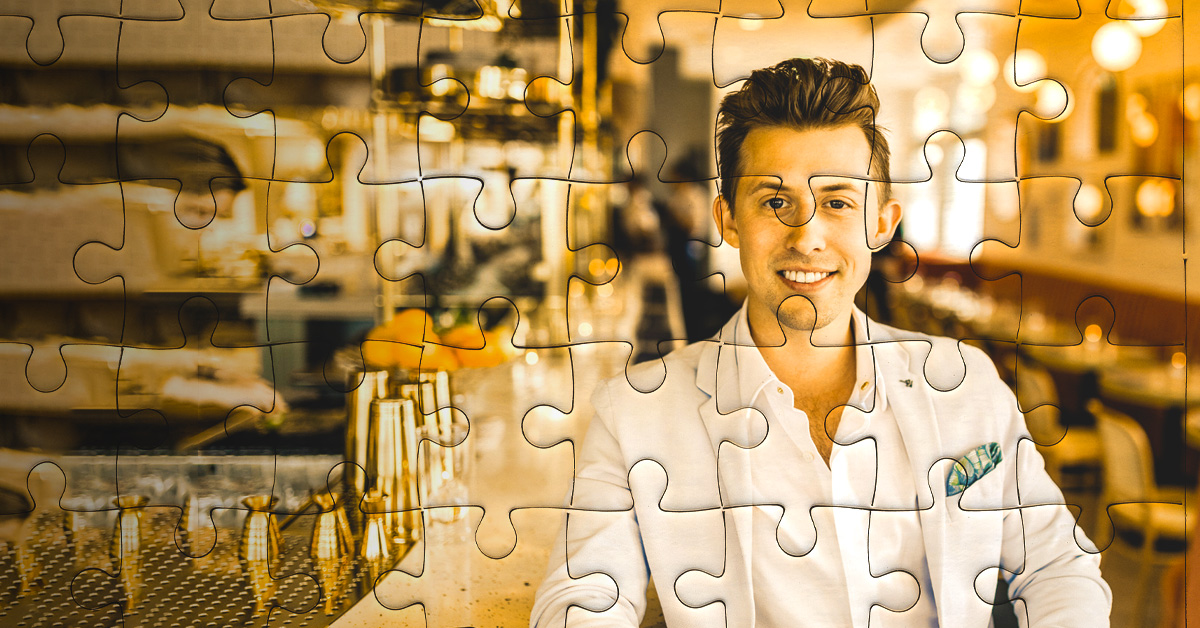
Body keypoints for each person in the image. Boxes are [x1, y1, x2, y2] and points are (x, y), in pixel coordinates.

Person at [530, 58, 1111, 627]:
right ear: (729, 219)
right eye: (774, 202)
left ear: (881, 224)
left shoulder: (966, 382)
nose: (807, 237)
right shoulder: (635, 412)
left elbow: (1058, 564)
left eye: (837, 202)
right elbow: (581, 596)